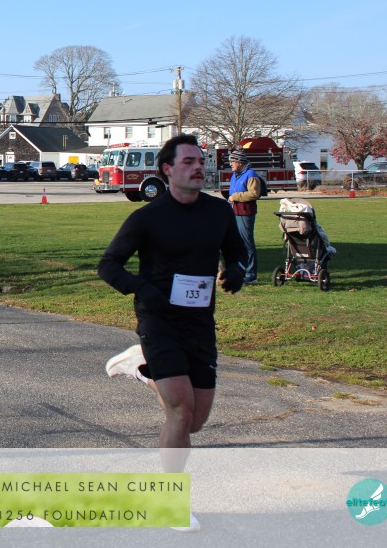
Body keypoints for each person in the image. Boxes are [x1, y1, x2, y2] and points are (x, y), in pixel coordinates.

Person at [98, 134, 246, 532]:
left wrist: (235, 271)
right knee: (180, 410)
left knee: (195, 420)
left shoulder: (219, 212)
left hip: (199, 322)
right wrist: (141, 289)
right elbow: (109, 265)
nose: (198, 167)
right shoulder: (148, 217)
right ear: (167, 169)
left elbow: (238, 252)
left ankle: (140, 368)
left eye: (201, 161)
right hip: (158, 319)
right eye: (188, 162)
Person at [227, 148, 262, 284]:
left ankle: (251, 274)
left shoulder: (251, 174)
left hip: (245, 212)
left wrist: (235, 196)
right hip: (235, 212)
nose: (231, 164)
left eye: (233, 161)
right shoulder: (235, 175)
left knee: (246, 243)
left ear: (240, 162)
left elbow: (254, 193)